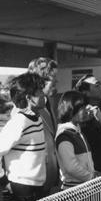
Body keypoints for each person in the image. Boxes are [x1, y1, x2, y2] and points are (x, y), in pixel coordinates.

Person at [0, 72, 48, 201]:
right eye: (40, 91)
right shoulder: (19, 122)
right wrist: (4, 183)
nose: (43, 94)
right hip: (22, 190)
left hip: (37, 187)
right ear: (29, 98)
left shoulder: (36, 119)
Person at [27, 57, 61, 194]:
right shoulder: (26, 109)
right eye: (53, 77)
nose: (56, 81)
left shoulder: (47, 103)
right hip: (34, 183)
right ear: (40, 81)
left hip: (48, 179)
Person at [74, 75, 101, 172]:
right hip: (94, 175)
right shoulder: (82, 118)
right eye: (97, 85)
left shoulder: (98, 111)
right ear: (86, 93)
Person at [55, 91, 97, 188]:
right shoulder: (64, 136)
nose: (86, 111)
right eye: (82, 108)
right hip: (74, 189)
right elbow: (71, 167)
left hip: (84, 186)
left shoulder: (77, 132)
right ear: (72, 109)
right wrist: (92, 176)